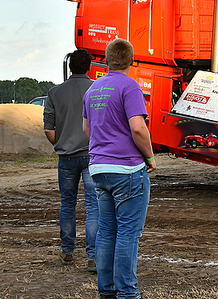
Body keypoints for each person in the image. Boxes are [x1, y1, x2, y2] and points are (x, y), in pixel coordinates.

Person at [83, 38, 157, 299]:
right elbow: (138, 127)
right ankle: (127, 293)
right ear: (131, 61)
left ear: (106, 59)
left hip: (98, 169)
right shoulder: (130, 87)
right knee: (127, 232)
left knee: (106, 230)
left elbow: (87, 130)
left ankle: (107, 291)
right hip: (126, 169)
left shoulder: (92, 90)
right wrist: (149, 157)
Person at [43, 49, 99, 272]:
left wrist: (63, 140)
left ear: (69, 67)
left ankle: (67, 251)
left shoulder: (54, 92)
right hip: (92, 155)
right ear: (90, 67)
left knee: (68, 204)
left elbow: (48, 130)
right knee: (93, 206)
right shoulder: (97, 89)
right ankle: (93, 256)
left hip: (66, 157)